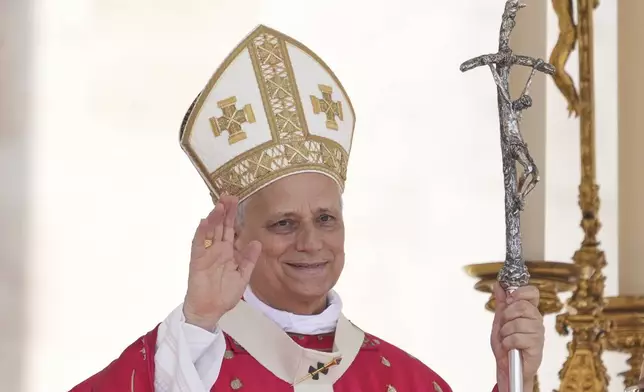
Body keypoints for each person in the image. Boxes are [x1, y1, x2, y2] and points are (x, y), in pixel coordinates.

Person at [70, 25, 545, 392]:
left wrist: (510, 379)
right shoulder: (188, 364)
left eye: (325, 219)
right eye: (283, 224)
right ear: (236, 237)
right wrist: (196, 321)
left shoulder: (401, 379)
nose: (310, 243)